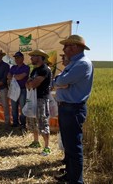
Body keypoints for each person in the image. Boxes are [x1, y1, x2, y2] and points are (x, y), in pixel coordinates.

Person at [54, 35, 93, 183]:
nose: (64, 49)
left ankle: (76, 181)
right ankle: (70, 175)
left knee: (74, 147)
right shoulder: (75, 63)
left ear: (75, 47)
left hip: (73, 109)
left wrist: (60, 81)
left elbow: (61, 80)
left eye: (66, 46)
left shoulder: (82, 64)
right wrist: (60, 81)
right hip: (67, 108)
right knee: (68, 145)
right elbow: (59, 81)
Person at [26, 49, 52, 156]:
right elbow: (27, 84)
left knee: (42, 122)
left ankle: (47, 147)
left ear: (40, 57)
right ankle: (36, 142)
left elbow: (33, 84)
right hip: (33, 99)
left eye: (33, 56)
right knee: (32, 121)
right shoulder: (35, 70)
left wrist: (30, 82)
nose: (31, 58)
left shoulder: (44, 69)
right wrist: (30, 82)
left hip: (41, 99)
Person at [7, 51, 30, 128]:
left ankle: (23, 124)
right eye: (15, 58)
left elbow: (21, 77)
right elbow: (8, 76)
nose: (16, 59)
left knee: (22, 108)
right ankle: (15, 123)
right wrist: (15, 76)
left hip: (22, 90)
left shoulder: (26, 67)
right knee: (14, 107)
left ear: (22, 58)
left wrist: (13, 76)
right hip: (14, 90)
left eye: (18, 57)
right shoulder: (13, 67)